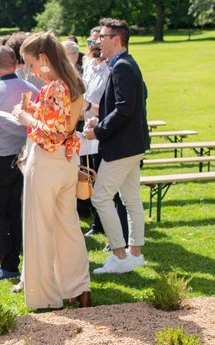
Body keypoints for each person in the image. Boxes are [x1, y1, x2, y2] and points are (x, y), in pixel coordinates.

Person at [12, 31, 91, 310]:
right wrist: (35, 109)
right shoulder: (73, 82)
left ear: (43, 58)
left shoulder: (54, 87)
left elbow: (53, 131)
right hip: (68, 163)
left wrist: (25, 117)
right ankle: (79, 288)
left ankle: (46, 297)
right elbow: (64, 121)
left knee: (39, 229)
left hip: (46, 162)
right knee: (68, 227)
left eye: (31, 64)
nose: (31, 72)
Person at [84, 18, 149, 274]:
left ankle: (120, 256)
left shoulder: (122, 66)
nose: (98, 42)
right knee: (131, 199)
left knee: (101, 197)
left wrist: (97, 131)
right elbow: (132, 103)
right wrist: (100, 120)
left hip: (122, 147)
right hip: (133, 144)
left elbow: (124, 109)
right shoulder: (126, 64)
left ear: (116, 39)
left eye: (102, 37)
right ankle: (135, 253)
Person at [0, 46, 38, 282]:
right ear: (16, 63)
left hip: (0, 159)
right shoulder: (33, 89)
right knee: (14, 207)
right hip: (25, 157)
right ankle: (14, 257)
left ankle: (8, 262)